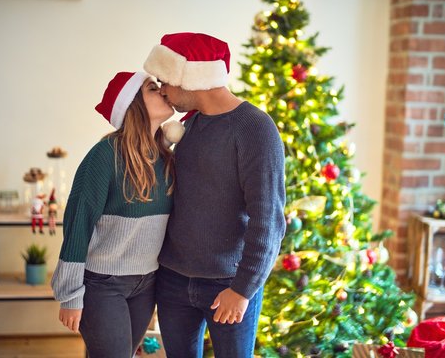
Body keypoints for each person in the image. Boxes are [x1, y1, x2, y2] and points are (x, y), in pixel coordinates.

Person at [144, 32, 286, 358]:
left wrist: (243, 288)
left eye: (166, 80)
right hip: (173, 280)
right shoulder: (189, 125)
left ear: (191, 77)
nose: (162, 89)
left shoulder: (255, 128)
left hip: (228, 284)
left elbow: (269, 219)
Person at [51, 71, 175, 358]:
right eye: (152, 89)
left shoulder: (165, 157)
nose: (163, 91)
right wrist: (70, 295)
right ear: (133, 104)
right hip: (103, 284)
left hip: (147, 282)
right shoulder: (104, 155)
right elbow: (78, 223)